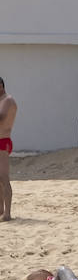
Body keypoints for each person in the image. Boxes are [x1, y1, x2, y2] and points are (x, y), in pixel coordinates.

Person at [0, 75, 14, 222]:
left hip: (3, 141)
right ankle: (1, 209)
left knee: (4, 177)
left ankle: (7, 212)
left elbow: (2, 116)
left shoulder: (7, 100)